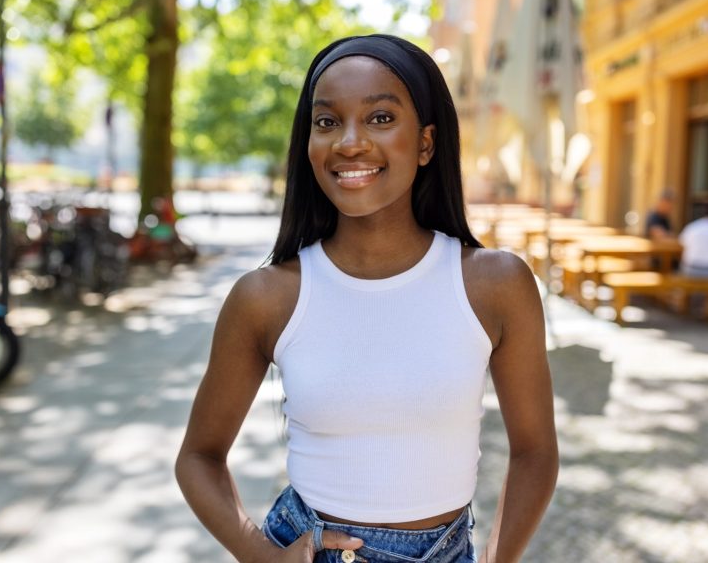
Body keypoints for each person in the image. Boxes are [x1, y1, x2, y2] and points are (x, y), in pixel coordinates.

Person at [175, 34, 558, 563]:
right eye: (327, 121)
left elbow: (536, 453)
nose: (349, 142)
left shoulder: (495, 285)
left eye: (380, 118)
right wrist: (261, 556)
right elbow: (198, 456)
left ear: (426, 143)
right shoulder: (266, 297)